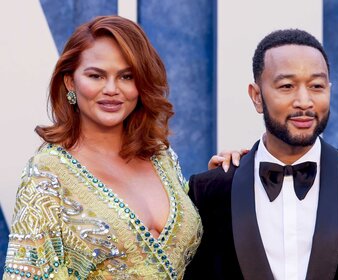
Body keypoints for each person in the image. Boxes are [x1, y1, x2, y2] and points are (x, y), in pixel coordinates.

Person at [2, 15, 238, 280]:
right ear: (70, 82)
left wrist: (222, 178)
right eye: (96, 76)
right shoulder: (47, 175)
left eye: (126, 76)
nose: (112, 89)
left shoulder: (161, 156)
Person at [185, 29, 338, 280]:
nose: (304, 101)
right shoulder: (210, 189)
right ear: (257, 97)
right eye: (287, 86)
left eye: (316, 86)